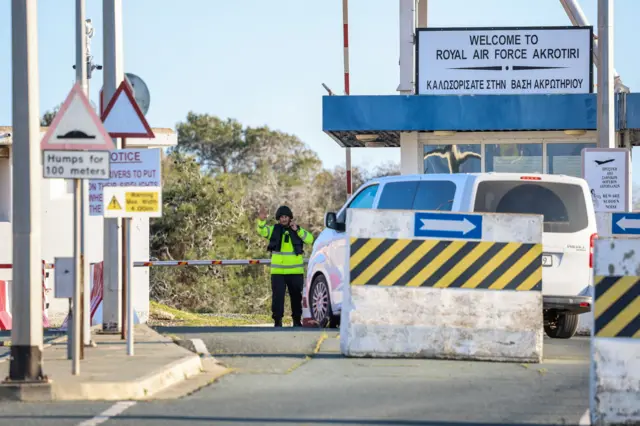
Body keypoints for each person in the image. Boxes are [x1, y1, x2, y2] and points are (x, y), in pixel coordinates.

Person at [256, 205, 314, 327]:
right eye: (281, 217)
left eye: (286, 217)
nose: (283, 219)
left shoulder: (297, 230)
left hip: (295, 272)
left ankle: (297, 321)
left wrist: (298, 230)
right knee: (277, 298)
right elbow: (262, 231)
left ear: (290, 218)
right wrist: (261, 221)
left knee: (296, 298)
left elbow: (310, 239)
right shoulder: (273, 230)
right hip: (278, 272)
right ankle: (278, 321)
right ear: (278, 218)